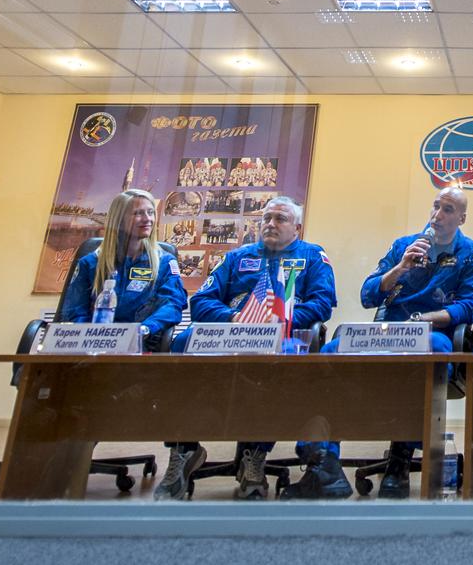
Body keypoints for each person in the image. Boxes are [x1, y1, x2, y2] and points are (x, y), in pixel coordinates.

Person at [162, 196, 343, 501]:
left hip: (280, 337)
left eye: (280, 219)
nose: (270, 224)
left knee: (278, 360)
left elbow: (322, 303)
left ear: (297, 227)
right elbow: (201, 301)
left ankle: (255, 455)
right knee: (183, 340)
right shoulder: (237, 257)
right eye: (266, 218)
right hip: (232, 336)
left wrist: (283, 320)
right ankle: (183, 449)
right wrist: (232, 317)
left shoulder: (312, 256)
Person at [322, 186, 473, 499]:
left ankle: (401, 456)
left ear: (462, 218)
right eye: (436, 206)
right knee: (333, 349)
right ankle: (324, 460)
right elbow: (368, 294)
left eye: (448, 210)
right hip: (389, 329)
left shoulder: (471, 252)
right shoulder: (403, 245)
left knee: (435, 350)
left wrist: (431, 318)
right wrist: (400, 269)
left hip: (431, 331)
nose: (438, 215)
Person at [61, 189, 187, 349]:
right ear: (119, 220)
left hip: (139, 345)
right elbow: (74, 310)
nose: (148, 219)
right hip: (91, 346)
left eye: (150, 212)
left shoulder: (164, 262)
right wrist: (87, 336)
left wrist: (145, 329)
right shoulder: (90, 263)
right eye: (138, 213)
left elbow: (172, 305)